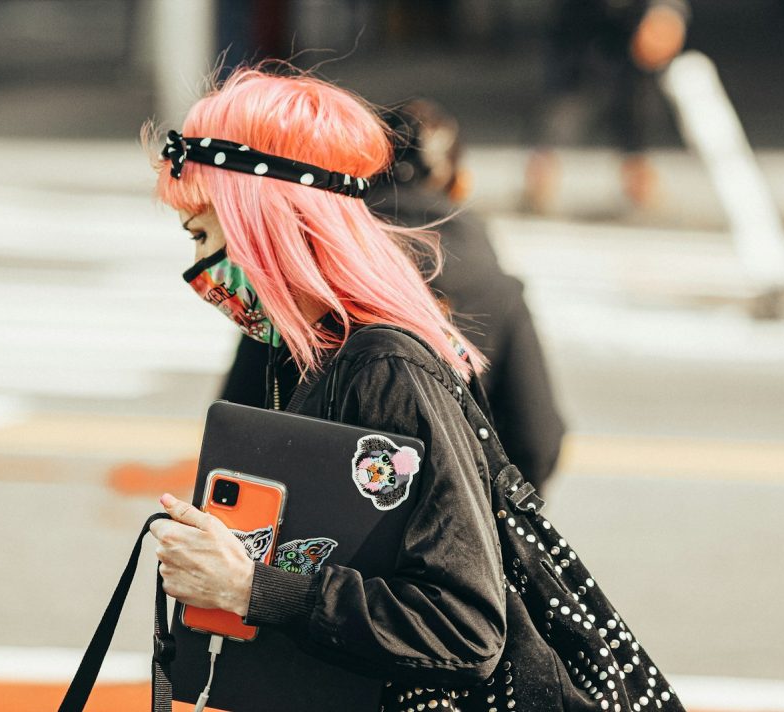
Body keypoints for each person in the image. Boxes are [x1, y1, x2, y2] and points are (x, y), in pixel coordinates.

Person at [146, 65, 506, 710]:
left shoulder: (386, 368)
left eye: (201, 234)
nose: (198, 267)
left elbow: (464, 627)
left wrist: (250, 588)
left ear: (263, 226)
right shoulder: (300, 354)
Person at [221, 98, 566, 487]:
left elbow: (238, 414)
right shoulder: (495, 287)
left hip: (311, 516)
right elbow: (537, 437)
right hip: (450, 519)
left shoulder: (307, 274)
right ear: (461, 182)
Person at [524, 0, 690, 212]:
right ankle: (541, 171)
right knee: (565, 103)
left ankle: (637, 174)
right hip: (579, 30)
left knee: (635, 102)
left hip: (632, 31)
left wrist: (666, 12)